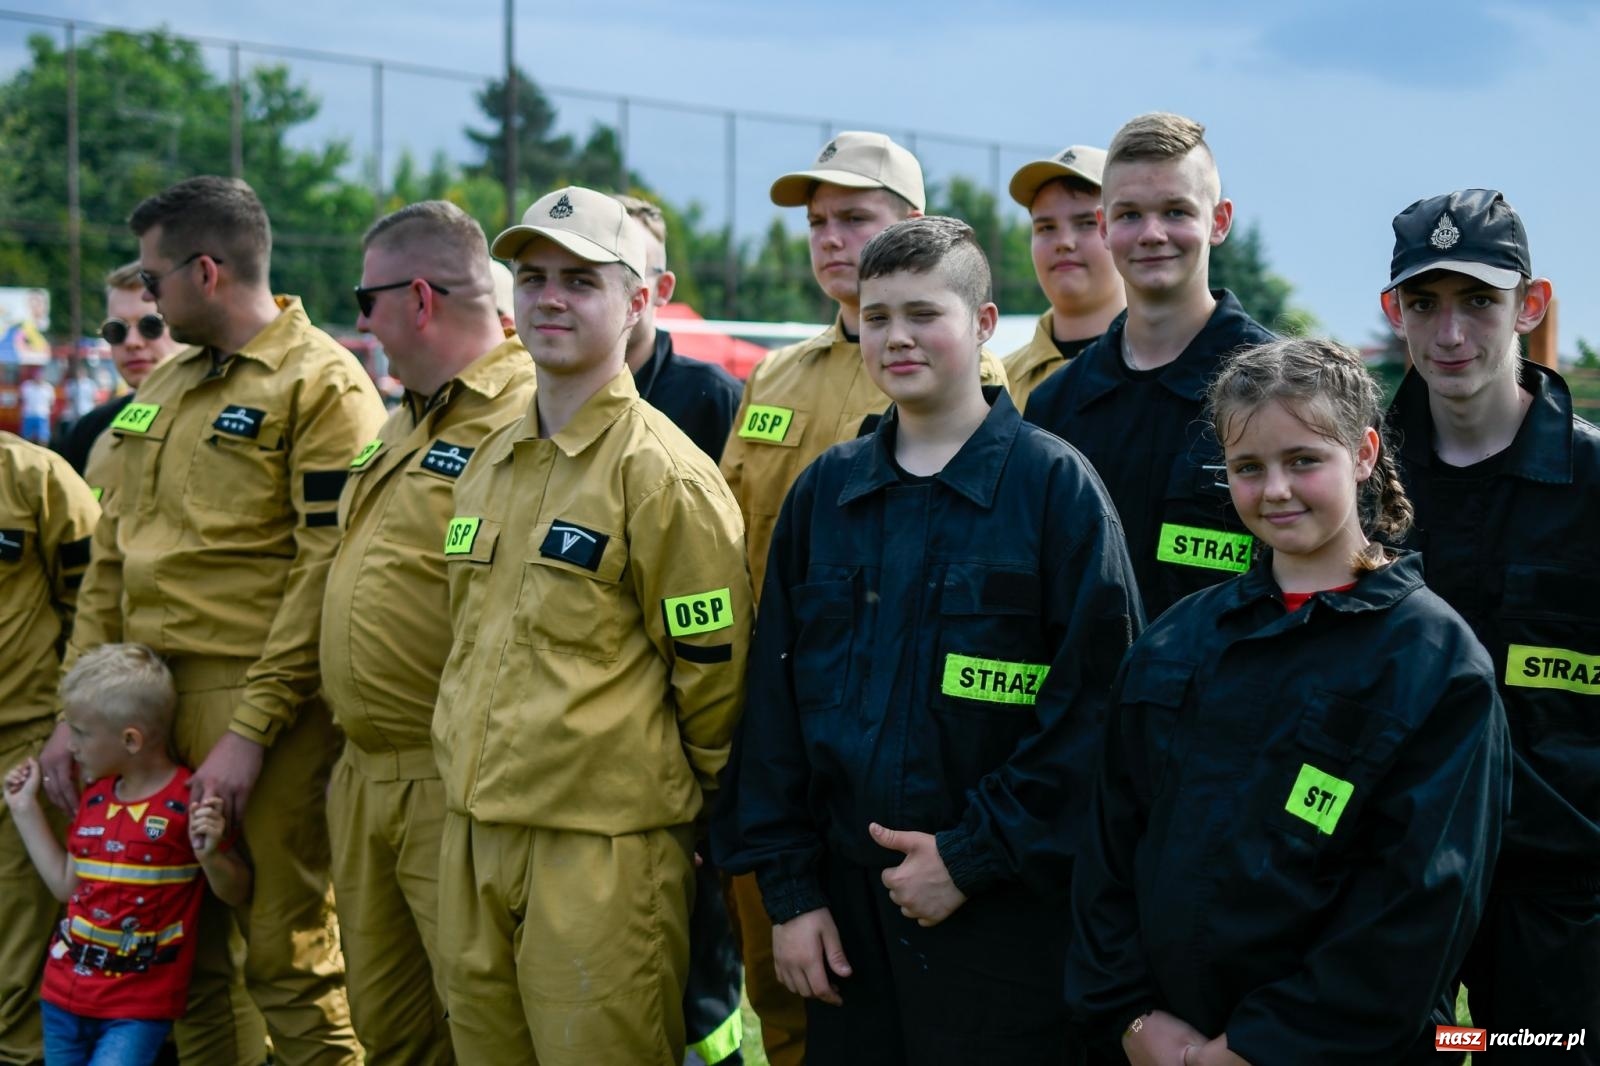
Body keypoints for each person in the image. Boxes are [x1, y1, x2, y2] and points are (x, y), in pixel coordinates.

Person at [715, 217, 1142, 1065]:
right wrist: (793, 896)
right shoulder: (824, 495)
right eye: (876, 317)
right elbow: (774, 711)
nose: (896, 336)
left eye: (923, 313)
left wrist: (973, 855)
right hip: (843, 919)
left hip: (1006, 918)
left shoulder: (1054, 490)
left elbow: (1097, 712)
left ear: (984, 327)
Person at [1067, 337, 1510, 1065]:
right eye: (1248, 468)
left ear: (1364, 453)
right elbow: (1108, 846)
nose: (1275, 489)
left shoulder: (1436, 664)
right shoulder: (1176, 641)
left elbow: (1420, 904)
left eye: (1304, 460)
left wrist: (1258, 1047)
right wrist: (1133, 1016)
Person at [40, 175, 383, 1066]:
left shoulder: (322, 385)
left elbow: (325, 571)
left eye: (153, 283)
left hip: (256, 700)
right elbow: (112, 556)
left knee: (286, 954)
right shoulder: (167, 390)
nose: (143, 304)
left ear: (206, 270)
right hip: (140, 702)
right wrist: (73, 719)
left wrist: (252, 729)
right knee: (172, 966)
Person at [432, 185, 752, 1065]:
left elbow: (715, 677)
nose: (549, 298)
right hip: (472, 832)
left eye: (581, 280)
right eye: (531, 277)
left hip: (602, 852)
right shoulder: (489, 459)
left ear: (639, 301)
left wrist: (702, 830)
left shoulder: (664, 478)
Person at [716, 129, 1007, 1065]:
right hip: (791, 754)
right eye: (818, 222)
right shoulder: (776, 376)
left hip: (925, 780)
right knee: (781, 992)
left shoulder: (975, 391)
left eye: (856, 217)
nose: (832, 238)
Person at [1381, 189, 1600, 1063]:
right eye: (1425, 305)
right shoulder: (1361, 483)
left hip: (1558, 899)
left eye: (1480, 301)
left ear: (1531, 305)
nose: (1452, 335)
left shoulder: (1591, 484)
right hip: (1393, 884)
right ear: (1393, 312)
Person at [321, 200, 536, 1066]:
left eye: (363, 299)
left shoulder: (528, 414)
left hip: (457, 784)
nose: (359, 321)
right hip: (366, 775)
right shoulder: (404, 417)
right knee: (392, 1030)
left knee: (485, 1029)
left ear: (416, 298)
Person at [1024, 112, 1274, 622]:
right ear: (1105, 226)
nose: (1152, 234)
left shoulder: (1284, 390)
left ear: (1219, 220)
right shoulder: (1054, 407)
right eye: (1130, 214)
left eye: (1177, 211)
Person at [614, 194, 747, 1064]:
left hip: (688, 740)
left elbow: (713, 602)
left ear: (653, 286)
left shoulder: (710, 395)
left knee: (702, 971)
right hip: (597, 764)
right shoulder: (535, 409)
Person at [4, 643, 252, 1066]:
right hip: (62, 998)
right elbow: (67, 885)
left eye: (80, 732)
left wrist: (210, 855)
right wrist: (23, 808)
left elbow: (236, 891)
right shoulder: (95, 798)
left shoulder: (187, 801)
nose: (71, 745)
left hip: (136, 1010)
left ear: (130, 739)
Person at [0, 430, 99, 1064]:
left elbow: (95, 601)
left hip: (23, 746)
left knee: (18, 955)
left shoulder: (34, 476)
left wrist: (71, 720)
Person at [617, 195, 742, 464]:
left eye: (628, 270)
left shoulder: (713, 397)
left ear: (662, 289)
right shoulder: (543, 393)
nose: (613, 286)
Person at [1001, 145, 1125, 410]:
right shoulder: (996, 387)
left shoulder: (1161, 368)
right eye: (1046, 227)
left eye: (1087, 223)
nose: (1064, 242)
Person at [58, 262, 185, 496]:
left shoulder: (217, 420)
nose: (132, 342)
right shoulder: (88, 432)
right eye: (117, 329)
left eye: (151, 325)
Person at [20, 370, 55, 445]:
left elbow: (51, 403)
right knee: (27, 438)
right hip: (28, 415)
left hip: (42, 416)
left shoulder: (48, 388)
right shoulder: (26, 386)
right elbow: (21, 400)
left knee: (43, 438)